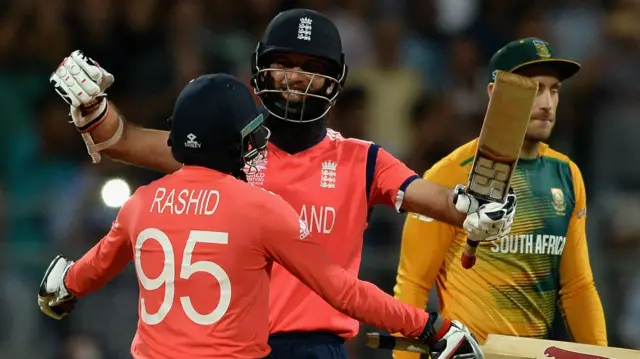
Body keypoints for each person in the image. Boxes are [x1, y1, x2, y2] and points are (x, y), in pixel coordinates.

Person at [48, 8, 515, 359]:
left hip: (312, 347)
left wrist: (475, 207)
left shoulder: (363, 159)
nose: (295, 77)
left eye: (311, 67)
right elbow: (122, 140)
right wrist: (93, 109)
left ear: (335, 79)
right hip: (229, 345)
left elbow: (444, 204)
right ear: (261, 68)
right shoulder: (223, 147)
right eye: (284, 63)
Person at [393, 37, 608, 359]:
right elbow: (412, 285)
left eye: (554, 90)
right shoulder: (450, 175)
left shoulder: (567, 174)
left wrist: (601, 355)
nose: (547, 103)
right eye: (533, 90)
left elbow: (577, 286)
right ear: (495, 93)